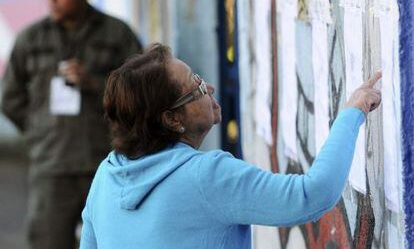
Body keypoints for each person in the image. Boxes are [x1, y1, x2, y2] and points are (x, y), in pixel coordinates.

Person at [80, 44, 381, 249]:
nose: (208, 87)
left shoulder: (107, 175)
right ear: (172, 119)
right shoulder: (206, 176)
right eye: (195, 86)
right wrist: (352, 112)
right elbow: (311, 196)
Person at [1, 0, 142, 249]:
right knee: (48, 242)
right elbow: (10, 98)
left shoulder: (117, 34)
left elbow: (143, 94)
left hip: (107, 162)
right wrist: (40, 133)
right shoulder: (31, 39)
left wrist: (96, 84)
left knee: (115, 241)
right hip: (52, 167)